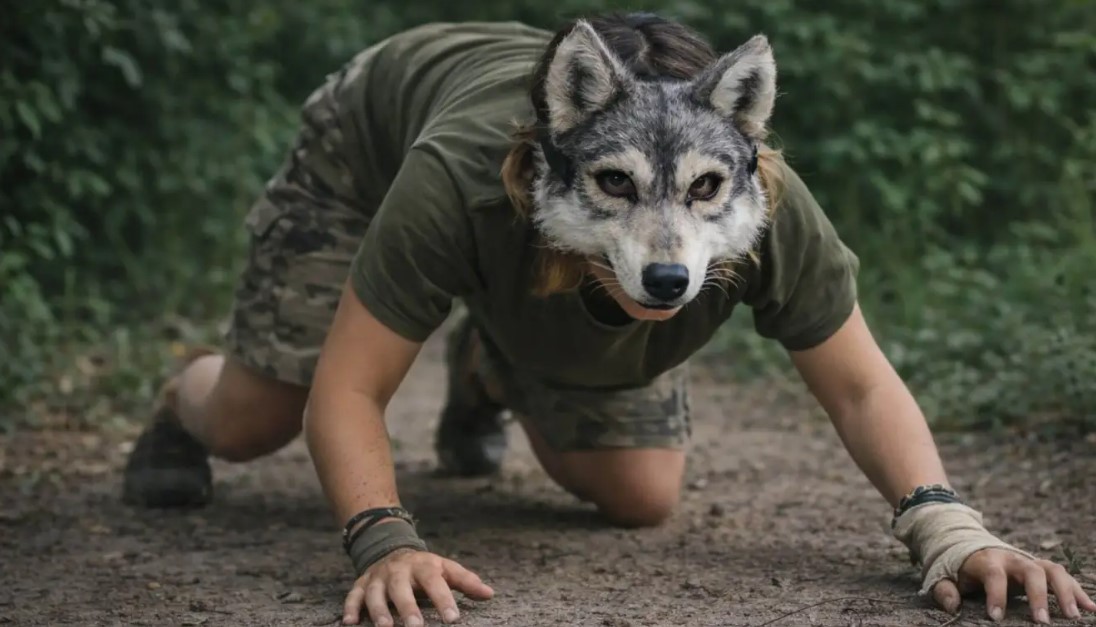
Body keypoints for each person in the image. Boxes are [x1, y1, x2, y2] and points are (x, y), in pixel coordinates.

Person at [120, 13, 1094, 627]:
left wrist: (951, 533)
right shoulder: (457, 179)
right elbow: (354, 387)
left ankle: (489, 365)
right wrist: (384, 540)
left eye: (705, 190)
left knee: (637, 494)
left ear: (743, 163)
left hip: (546, 225)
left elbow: (858, 381)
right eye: (619, 187)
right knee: (259, 418)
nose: (668, 246)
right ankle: (181, 397)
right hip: (369, 140)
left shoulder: (767, 204)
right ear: (561, 157)